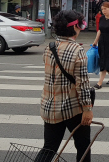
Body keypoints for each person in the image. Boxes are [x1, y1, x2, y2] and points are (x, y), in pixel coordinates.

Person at [38, 10, 92, 162]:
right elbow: (83, 84)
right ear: (74, 27)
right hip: (73, 108)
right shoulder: (78, 50)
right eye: (81, 24)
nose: (81, 28)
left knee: (49, 147)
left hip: (50, 106)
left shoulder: (50, 47)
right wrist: (87, 110)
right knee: (83, 146)